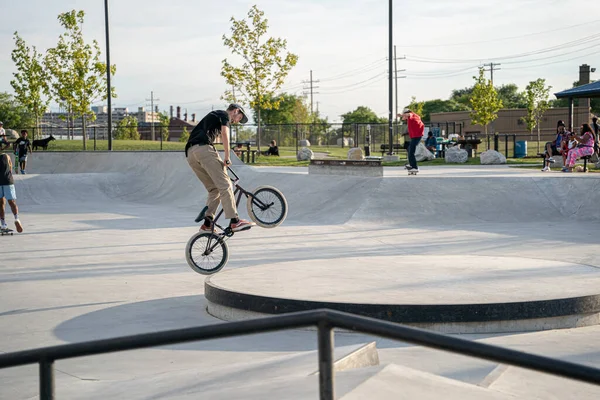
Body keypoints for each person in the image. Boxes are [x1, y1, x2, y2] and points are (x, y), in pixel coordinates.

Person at [185, 104, 256, 232]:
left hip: (191, 154)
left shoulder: (214, 116)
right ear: (235, 111)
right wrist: (227, 156)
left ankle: (207, 224)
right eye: (239, 118)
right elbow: (224, 133)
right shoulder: (224, 115)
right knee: (225, 185)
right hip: (203, 149)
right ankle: (235, 221)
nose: (237, 121)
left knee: (214, 189)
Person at [0, 153, 23, 232]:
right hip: (8, 181)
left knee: (1, 204)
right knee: (11, 202)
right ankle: (16, 219)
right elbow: (10, 168)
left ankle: (3, 225)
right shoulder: (6, 156)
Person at [399, 107, 424, 172]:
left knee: (411, 152)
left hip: (417, 136)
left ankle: (415, 167)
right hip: (416, 136)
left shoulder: (412, 115)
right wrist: (403, 116)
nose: (405, 118)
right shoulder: (412, 118)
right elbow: (404, 118)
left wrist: (402, 115)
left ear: (406, 113)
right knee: (410, 150)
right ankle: (412, 165)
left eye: (405, 115)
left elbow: (408, 115)